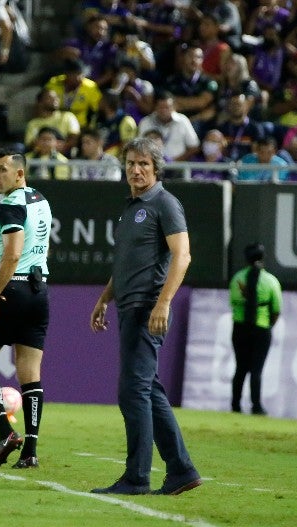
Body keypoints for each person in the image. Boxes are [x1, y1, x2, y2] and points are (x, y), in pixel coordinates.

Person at [89, 136, 201, 496]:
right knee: (148, 389)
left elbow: (182, 257)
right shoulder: (130, 208)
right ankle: (181, 470)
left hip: (147, 308)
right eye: (131, 164)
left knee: (132, 391)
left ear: (156, 169)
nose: (136, 171)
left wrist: (164, 303)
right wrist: (105, 298)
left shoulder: (165, 203)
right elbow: (125, 264)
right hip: (129, 305)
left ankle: (137, 477)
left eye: (143, 165)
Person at [0, 148, 52, 470]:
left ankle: (6, 433)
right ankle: (30, 451)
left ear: (20, 173)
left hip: (12, 289)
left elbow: (13, 254)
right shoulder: (41, 200)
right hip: (39, 291)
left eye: (2, 169)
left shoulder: (10, 205)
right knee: (30, 374)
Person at [229, 242, 282, 415]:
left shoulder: (237, 278)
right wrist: (266, 326)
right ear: (262, 258)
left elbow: (233, 303)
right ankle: (256, 406)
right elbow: (276, 310)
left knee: (240, 368)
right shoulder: (271, 281)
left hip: (240, 328)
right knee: (256, 369)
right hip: (261, 329)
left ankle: (235, 405)